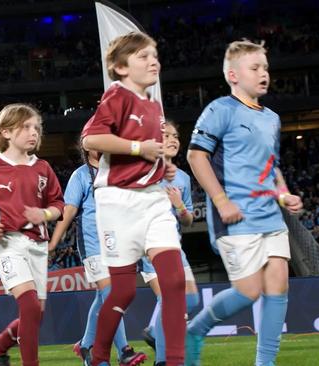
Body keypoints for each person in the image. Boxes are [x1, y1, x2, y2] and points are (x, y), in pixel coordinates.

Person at [186, 39, 303, 366]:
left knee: (279, 280)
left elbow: (272, 167)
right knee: (249, 291)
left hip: (270, 215)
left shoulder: (273, 118)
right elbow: (195, 156)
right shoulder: (220, 109)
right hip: (235, 216)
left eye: (265, 67)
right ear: (233, 75)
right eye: (255, 68)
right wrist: (221, 200)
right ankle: (195, 330)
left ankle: (265, 363)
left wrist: (283, 194)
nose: (263, 73)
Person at [80, 31, 186, 366]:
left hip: (154, 201)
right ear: (120, 67)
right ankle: (97, 355)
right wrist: (140, 149)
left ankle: (174, 361)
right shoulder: (117, 95)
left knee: (174, 282)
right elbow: (91, 139)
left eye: (155, 54)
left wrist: (161, 168)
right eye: (143, 56)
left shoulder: (154, 105)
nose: (153, 60)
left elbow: (149, 153)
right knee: (123, 291)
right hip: (117, 203)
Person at [0, 104, 65, 366]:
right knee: (31, 306)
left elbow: (59, 206)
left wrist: (44, 214)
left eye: (37, 127)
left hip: (37, 245)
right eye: (26, 127)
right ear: (6, 133)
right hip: (7, 243)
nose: (33, 132)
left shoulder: (43, 167)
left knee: (37, 312)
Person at [48, 146, 146, 366]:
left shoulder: (119, 173)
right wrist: (54, 242)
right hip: (93, 245)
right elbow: (69, 211)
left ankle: (86, 345)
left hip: (119, 245)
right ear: (87, 146)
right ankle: (124, 351)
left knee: (103, 298)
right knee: (112, 295)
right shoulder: (81, 175)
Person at [138, 120, 200, 366]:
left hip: (176, 246)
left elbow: (188, 221)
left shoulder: (182, 178)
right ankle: (163, 360)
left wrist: (180, 206)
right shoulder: (144, 174)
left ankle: (155, 331)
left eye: (176, 136)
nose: (173, 140)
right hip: (151, 246)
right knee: (169, 299)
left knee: (192, 300)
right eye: (166, 136)